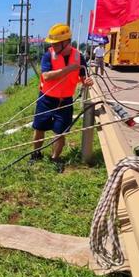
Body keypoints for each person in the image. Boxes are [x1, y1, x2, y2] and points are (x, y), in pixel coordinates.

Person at [30, 23, 93, 173]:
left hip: (65, 101)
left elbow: (84, 78)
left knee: (60, 132)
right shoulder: (48, 55)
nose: (53, 46)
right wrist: (68, 69)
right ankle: (35, 154)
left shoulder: (79, 57)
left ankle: (55, 158)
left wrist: (87, 82)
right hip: (46, 99)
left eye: (56, 43)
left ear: (66, 43)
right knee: (39, 128)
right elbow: (46, 76)